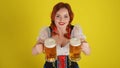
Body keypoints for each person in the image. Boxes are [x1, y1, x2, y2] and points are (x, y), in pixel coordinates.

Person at [32, 2, 91, 68]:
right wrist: (37, 49)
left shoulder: (75, 31)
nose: (62, 19)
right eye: (58, 16)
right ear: (53, 17)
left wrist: (86, 48)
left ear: (69, 18)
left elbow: (88, 52)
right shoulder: (47, 31)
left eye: (65, 16)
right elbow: (33, 52)